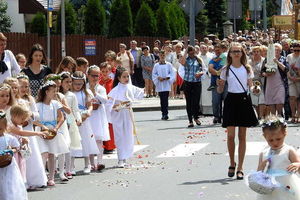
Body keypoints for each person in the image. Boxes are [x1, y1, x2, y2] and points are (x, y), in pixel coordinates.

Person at [217, 42, 258, 180]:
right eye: (233, 51)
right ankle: (231, 163)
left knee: (242, 136)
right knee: (230, 136)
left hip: (244, 100)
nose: (236, 53)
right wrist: (219, 86)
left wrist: (255, 90)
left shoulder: (247, 69)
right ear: (229, 53)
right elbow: (220, 90)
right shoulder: (225, 69)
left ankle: (240, 167)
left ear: (242, 53)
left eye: (238, 51)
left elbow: (251, 86)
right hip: (230, 100)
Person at [107, 67, 144, 168]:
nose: (126, 78)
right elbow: (109, 105)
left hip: (128, 114)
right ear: (118, 78)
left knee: (128, 135)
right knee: (120, 136)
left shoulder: (130, 87)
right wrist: (118, 106)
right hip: (118, 115)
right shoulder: (115, 90)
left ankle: (126, 156)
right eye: (124, 77)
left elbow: (140, 93)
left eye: (127, 76)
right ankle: (120, 158)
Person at [256, 115, 300, 200]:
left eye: (278, 139)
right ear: (265, 137)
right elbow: (258, 174)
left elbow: (298, 166)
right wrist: (261, 168)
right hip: (270, 188)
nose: (275, 143)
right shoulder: (263, 153)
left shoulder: (289, 151)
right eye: (271, 140)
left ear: (284, 134)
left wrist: (298, 165)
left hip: (287, 185)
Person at [35, 80, 69, 186]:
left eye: (56, 91)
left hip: (52, 131)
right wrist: (42, 126)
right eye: (53, 91)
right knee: (44, 153)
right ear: (46, 92)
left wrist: (56, 128)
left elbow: (62, 117)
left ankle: (51, 177)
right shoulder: (38, 105)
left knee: (52, 154)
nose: (55, 93)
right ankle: (42, 176)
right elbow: (34, 120)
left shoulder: (55, 104)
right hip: (41, 131)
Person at [17, 74, 48, 189]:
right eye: (22, 86)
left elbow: (37, 115)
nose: (24, 89)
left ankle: (35, 179)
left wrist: (30, 115)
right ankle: (23, 181)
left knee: (32, 154)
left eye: (26, 86)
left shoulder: (29, 99)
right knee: (21, 155)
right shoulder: (14, 99)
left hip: (29, 128)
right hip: (19, 129)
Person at [71, 71, 99, 174]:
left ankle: (87, 164)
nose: (78, 86)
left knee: (85, 141)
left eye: (80, 84)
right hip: (72, 118)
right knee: (73, 141)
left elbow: (90, 105)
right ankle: (71, 165)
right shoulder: (70, 94)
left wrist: (88, 112)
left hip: (84, 119)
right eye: (75, 83)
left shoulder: (86, 92)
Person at [0, 111, 28, 200]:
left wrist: (11, 150)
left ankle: (10, 197)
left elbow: (17, 147)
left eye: (0, 128)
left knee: (9, 182)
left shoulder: (9, 137)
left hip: (8, 165)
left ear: (4, 127)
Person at [87, 65, 110, 171]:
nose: (95, 78)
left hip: (99, 116)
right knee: (90, 139)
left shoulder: (101, 88)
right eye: (93, 75)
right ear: (88, 75)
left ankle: (100, 161)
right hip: (89, 115)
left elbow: (105, 100)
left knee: (99, 139)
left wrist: (95, 93)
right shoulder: (85, 87)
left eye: (97, 76)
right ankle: (91, 163)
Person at [59, 72, 82, 178]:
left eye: (70, 82)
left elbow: (75, 109)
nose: (68, 84)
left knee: (68, 146)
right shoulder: (57, 95)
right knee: (60, 146)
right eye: (66, 82)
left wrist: (78, 119)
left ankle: (68, 169)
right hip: (59, 122)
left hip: (70, 121)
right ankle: (58, 169)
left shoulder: (71, 95)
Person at [180, 46, 205, 128]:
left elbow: (204, 69)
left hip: (197, 82)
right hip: (188, 82)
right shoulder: (186, 59)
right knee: (189, 102)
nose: (192, 53)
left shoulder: (199, 59)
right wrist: (186, 51)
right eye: (190, 52)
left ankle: (196, 117)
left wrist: (201, 73)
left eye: (193, 51)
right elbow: (182, 62)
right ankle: (190, 120)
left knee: (196, 101)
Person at [261, 43, 288, 116]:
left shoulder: (283, 59)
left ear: (280, 51)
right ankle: (273, 121)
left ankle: (279, 118)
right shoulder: (267, 59)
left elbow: (286, 70)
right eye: (274, 50)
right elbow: (262, 71)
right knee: (271, 102)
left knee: (279, 101)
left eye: (277, 50)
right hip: (269, 84)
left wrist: (277, 62)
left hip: (280, 84)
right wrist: (266, 74)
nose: (275, 51)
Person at [152, 50, 175, 120]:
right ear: (159, 56)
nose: (162, 56)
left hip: (166, 84)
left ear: (165, 56)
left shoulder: (169, 64)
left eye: (163, 55)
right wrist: (158, 78)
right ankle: (163, 113)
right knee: (162, 99)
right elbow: (154, 74)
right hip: (160, 84)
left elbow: (172, 73)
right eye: (161, 55)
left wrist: (168, 77)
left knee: (166, 99)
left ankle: (166, 113)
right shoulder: (156, 65)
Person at [99, 62, 116, 154]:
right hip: (101, 106)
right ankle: (102, 145)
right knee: (101, 125)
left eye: (106, 71)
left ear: (110, 71)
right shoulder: (99, 82)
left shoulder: (112, 82)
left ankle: (110, 146)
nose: (105, 73)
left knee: (109, 125)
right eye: (103, 71)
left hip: (109, 107)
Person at [208, 44, 227, 124]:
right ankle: (216, 116)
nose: (217, 52)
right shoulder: (213, 60)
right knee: (215, 102)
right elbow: (210, 69)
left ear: (222, 50)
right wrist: (219, 74)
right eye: (216, 50)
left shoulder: (226, 60)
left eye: (219, 50)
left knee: (226, 101)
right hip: (216, 84)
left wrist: (221, 76)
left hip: (226, 83)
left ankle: (225, 116)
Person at [249, 46, 266, 119]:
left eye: (257, 51)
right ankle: (258, 114)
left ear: (260, 52)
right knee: (255, 100)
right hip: (253, 82)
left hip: (262, 82)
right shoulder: (249, 62)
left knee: (262, 99)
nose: (256, 53)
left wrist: (263, 73)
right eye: (254, 51)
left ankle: (261, 116)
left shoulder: (264, 60)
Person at [286, 43, 300, 123]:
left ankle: (298, 115)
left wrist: (298, 78)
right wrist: (290, 77)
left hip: (299, 79)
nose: (297, 52)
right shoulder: (289, 56)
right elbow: (287, 68)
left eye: (298, 50)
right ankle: (293, 115)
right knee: (292, 98)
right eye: (295, 50)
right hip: (291, 79)